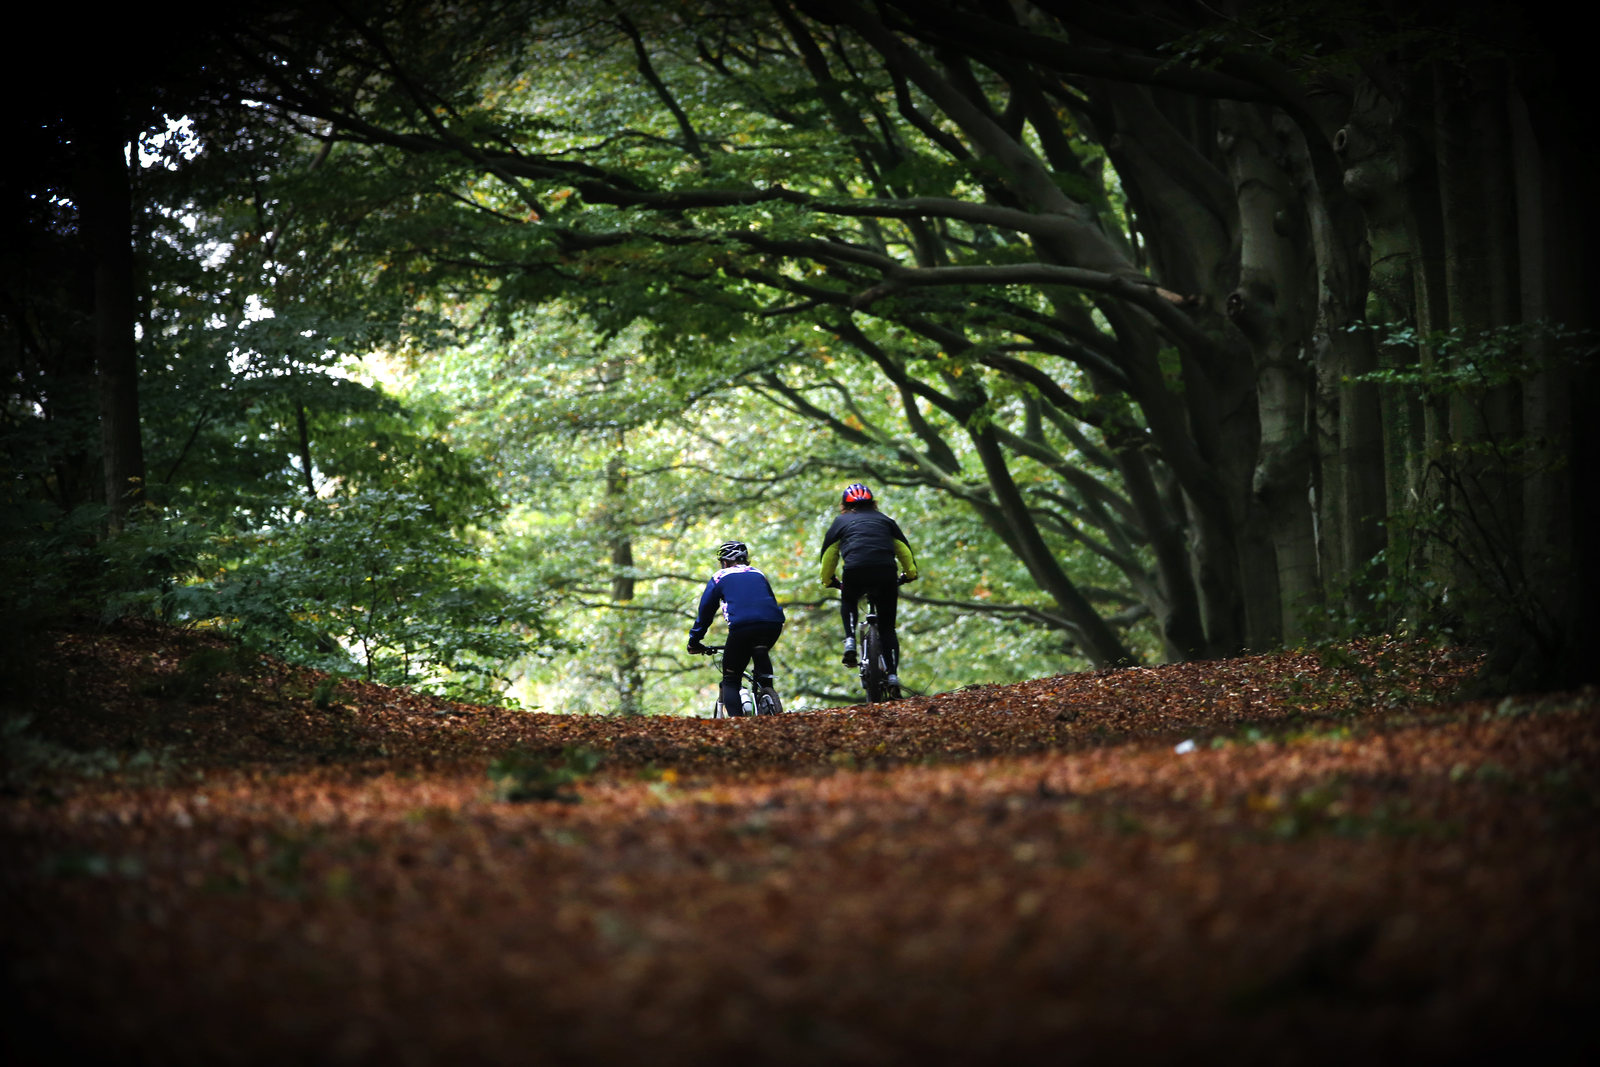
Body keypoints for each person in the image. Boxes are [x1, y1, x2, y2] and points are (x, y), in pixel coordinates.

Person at [818, 483, 917, 687]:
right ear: (874, 503)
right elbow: (903, 551)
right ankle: (892, 675)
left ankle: (850, 641)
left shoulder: (840, 522)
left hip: (855, 571)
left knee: (849, 598)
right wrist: (909, 574)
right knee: (888, 628)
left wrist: (829, 581)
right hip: (886, 572)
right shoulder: (885, 521)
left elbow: (829, 555)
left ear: (844, 506)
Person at [687, 541, 785, 716]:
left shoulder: (719, 577)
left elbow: (706, 613)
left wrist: (694, 641)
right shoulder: (758, 573)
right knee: (760, 652)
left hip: (742, 627)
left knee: (731, 679)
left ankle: (738, 725)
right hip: (773, 624)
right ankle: (768, 696)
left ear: (724, 562)